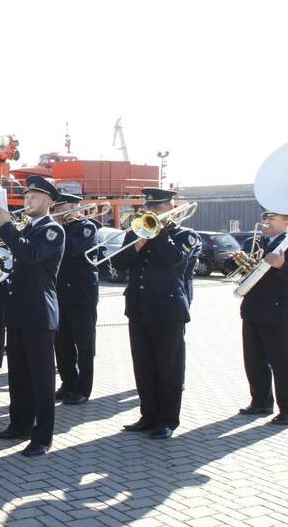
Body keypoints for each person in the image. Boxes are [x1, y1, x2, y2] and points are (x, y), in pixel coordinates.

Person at [111, 187, 200, 439]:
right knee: (144, 365)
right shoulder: (136, 231)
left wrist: (157, 231)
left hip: (168, 310)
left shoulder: (185, 235)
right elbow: (117, 264)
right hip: (139, 308)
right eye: (148, 207)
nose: (151, 211)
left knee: (169, 368)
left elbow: (175, 260)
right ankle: (148, 415)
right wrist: (138, 244)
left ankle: (167, 420)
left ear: (171, 207)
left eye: (157, 207)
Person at [0, 176, 66, 457]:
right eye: (27, 195)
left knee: (41, 378)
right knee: (18, 374)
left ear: (49, 202)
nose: (28, 199)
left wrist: (6, 225)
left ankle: (42, 436)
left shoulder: (52, 231)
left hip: (39, 313)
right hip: (18, 309)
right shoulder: (25, 228)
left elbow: (30, 255)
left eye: (36, 196)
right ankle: (19, 425)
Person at [236, 210, 288, 427]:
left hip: (279, 314)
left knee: (283, 363)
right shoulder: (255, 243)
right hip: (253, 310)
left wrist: (282, 265)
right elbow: (242, 273)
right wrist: (237, 264)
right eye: (264, 218)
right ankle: (261, 402)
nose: (266, 222)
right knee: (254, 360)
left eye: (272, 218)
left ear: (287, 222)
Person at [53, 193, 100, 405]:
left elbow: (68, 250)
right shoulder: (58, 228)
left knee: (84, 346)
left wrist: (55, 226)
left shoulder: (86, 227)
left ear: (73, 206)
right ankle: (68, 383)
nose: (55, 211)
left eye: (60, 206)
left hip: (82, 295)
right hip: (60, 294)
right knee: (62, 344)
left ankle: (83, 388)